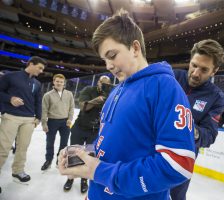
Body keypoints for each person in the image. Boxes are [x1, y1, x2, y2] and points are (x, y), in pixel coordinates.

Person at [58, 9, 195, 200]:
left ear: (135, 48)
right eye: (104, 60)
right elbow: (110, 144)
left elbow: (178, 165)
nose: (108, 66)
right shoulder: (116, 91)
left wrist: (98, 172)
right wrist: (85, 156)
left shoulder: (164, 87)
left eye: (112, 55)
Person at [171, 39, 224, 200]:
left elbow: (209, 135)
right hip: (151, 153)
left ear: (214, 71)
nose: (195, 73)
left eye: (204, 69)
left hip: (182, 161)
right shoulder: (171, 77)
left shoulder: (216, 97)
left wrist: (189, 129)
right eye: (194, 65)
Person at [0, 56, 46, 184]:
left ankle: (18, 171)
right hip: (11, 117)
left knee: (23, 147)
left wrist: (38, 117)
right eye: (40, 68)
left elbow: (38, 102)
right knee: (3, 148)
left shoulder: (37, 83)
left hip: (29, 120)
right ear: (31, 64)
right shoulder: (10, 76)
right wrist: (10, 99)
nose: (41, 71)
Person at [63, 75, 112, 193]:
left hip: (95, 131)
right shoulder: (89, 90)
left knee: (89, 156)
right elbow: (83, 106)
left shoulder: (111, 95)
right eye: (102, 82)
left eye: (107, 84)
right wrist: (97, 100)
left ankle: (84, 180)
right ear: (98, 82)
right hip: (80, 128)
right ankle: (70, 178)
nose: (103, 85)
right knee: (74, 154)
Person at [41, 74, 75, 171]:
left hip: (65, 122)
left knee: (64, 143)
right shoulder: (47, 95)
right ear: (54, 82)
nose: (59, 83)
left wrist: (70, 119)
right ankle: (48, 160)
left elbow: (71, 108)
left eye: (61, 82)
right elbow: (44, 110)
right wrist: (44, 123)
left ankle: (59, 160)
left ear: (64, 83)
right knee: (49, 142)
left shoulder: (69, 94)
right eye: (57, 81)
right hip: (52, 121)